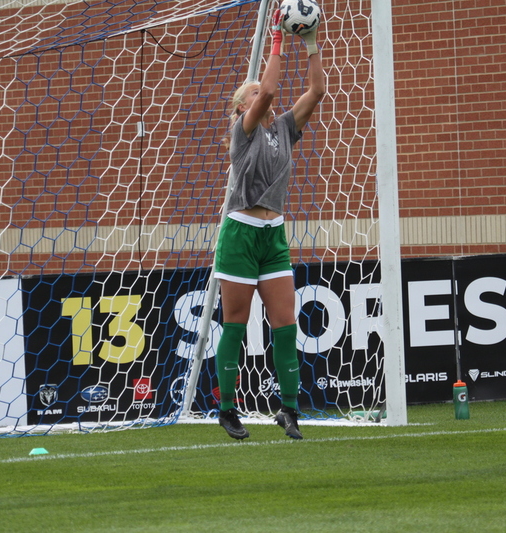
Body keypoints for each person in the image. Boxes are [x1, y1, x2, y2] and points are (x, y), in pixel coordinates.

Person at [214, 9, 326, 440]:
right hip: (240, 233)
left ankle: (290, 411)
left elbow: (317, 90)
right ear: (244, 105)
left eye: (262, 91)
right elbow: (271, 87)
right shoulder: (244, 132)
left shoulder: (283, 127)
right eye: (255, 92)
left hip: (273, 234)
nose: (264, 94)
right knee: (236, 323)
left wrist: (311, 43)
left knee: (285, 322)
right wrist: (277, 39)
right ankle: (226, 409)